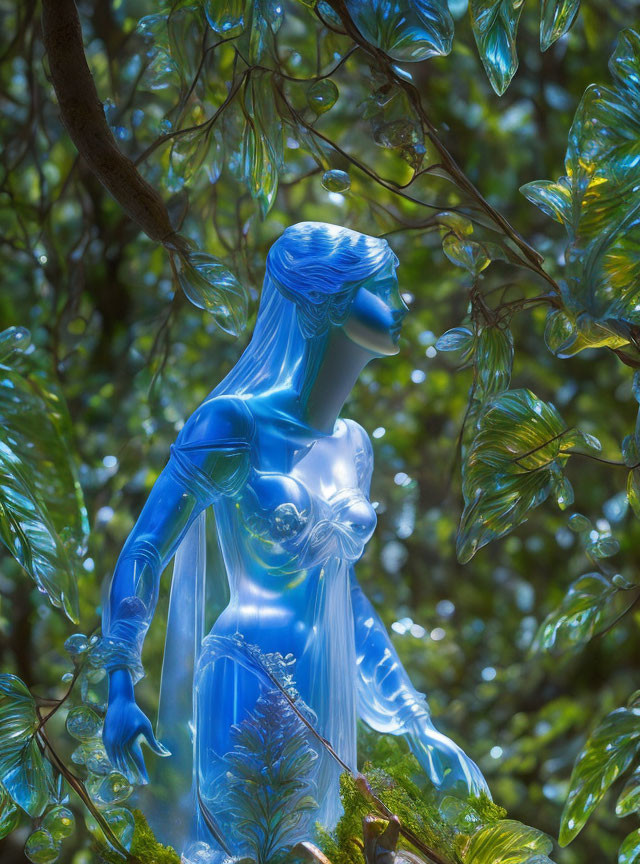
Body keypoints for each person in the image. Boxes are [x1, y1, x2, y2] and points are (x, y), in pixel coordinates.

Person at [101, 222, 488, 859]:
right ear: (326, 301)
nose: (403, 301)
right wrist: (120, 685)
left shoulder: (354, 446)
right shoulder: (232, 424)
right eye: (381, 288)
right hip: (248, 672)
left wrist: (416, 724)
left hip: (326, 678)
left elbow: (348, 599)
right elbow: (144, 550)